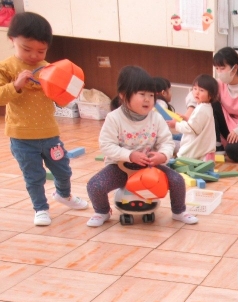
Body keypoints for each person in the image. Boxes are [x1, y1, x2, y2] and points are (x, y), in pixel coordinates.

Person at [0, 12, 88, 226]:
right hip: (22, 137)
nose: (34, 55)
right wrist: (16, 85)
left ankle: (63, 195)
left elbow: (60, 101)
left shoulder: (49, 68)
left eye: (41, 51)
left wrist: (71, 90)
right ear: (12, 40)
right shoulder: (7, 68)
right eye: (26, 49)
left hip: (49, 134)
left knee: (63, 169)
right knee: (34, 176)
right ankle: (40, 208)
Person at [86, 66, 198, 227]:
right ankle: (102, 211)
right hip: (120, 167)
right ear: (123, 95)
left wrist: (162, 156)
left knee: (177, 180)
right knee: (94, 185)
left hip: (149, 167)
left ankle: (179, 211)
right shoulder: (114, 118)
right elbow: (106, 145)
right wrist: (130, 155)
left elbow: (167, 142)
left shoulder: (156, 118)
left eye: (151, 95)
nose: (147, 99)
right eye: (142, 94)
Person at [167, 74, 217, 161]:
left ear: (211, 95)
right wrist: (186, 118)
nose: (197, 92)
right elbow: (198, 123)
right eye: (195, 88)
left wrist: (176, 125)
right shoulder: (204, 106)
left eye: (201, 90)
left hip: (195, 153)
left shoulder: (202, 109)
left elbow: (192, 128)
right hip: (201, 151)